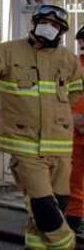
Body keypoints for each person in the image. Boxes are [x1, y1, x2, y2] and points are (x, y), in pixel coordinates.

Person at [0, 5, 84, 250]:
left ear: (61, 31)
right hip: (25, 146)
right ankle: (67, 245)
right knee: (44, 208)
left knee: (57, 205)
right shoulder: (7, 51)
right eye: (43, 22)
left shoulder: (69, 60)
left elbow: (74, 95)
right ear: (34, 23)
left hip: (60, 148)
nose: (47, 27)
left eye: (53, 25)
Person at [66, 26, 84, 239]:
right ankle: (74, 219)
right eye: (81, 46)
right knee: (74, 181)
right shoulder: (74, 69)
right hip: (76, 136)